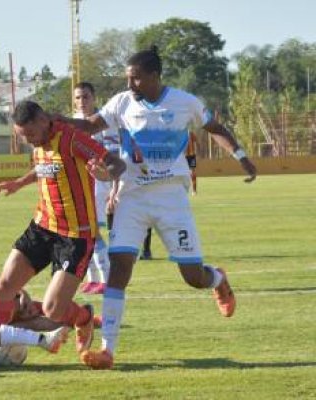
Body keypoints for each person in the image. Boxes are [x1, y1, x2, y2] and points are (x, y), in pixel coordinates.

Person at [54, 46, 257, 369]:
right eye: (127, 78)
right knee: (119, 269)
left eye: (135, 78)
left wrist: (241, 156)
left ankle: (217, 280)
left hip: (172, 198)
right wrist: (56, 121)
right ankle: (107, 350)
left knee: (193, 276)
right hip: (132, 196)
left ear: (153, 76)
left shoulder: (184, 102)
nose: (130, 84)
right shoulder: (122, 102)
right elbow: (90, 125)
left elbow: (215, 128)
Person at [0, 101, 126, 356]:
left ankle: (83, 317)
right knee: (5, 286)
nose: (28, 141)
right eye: (22, 137)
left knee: (54, 311)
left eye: (30, 134)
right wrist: (19, 183)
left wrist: (105, 175)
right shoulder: (40, 143)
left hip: (75, 236)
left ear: (43, 121)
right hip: (42, 226)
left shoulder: (72, 138)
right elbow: (46, 168)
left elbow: (117, 164)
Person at [73, 82, 121, 295]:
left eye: (85, 97)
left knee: (93, 232)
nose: (82, 102)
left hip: (99, 185)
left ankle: (107, 277)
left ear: (94, 98)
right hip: (79, 184)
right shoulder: (72, 123)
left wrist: (114, 188)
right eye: (78, 98)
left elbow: (115, 158)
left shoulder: (104, 123)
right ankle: (93, 278)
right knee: (84, 232)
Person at [140, 131, 199, 260]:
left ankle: (179, 249)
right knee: (150, 216)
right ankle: (146, 250)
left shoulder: (182, 134)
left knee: (170, 218)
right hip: (157, 182)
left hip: (170, 183)